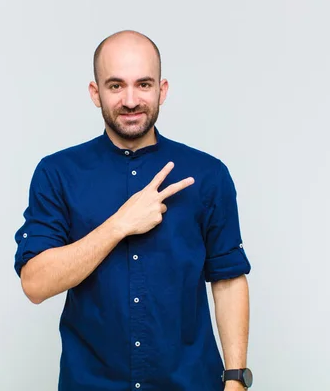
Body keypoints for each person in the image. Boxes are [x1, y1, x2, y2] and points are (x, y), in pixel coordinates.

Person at [14, 30, 253, 391]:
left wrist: (236, 380)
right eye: (115, 86)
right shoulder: (58, 173)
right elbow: (35, 284)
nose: (130, 100)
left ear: (163, 90)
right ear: (96, 93)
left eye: (143, 84)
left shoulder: (207, 174)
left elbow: (229, 279)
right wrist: (119, 225)